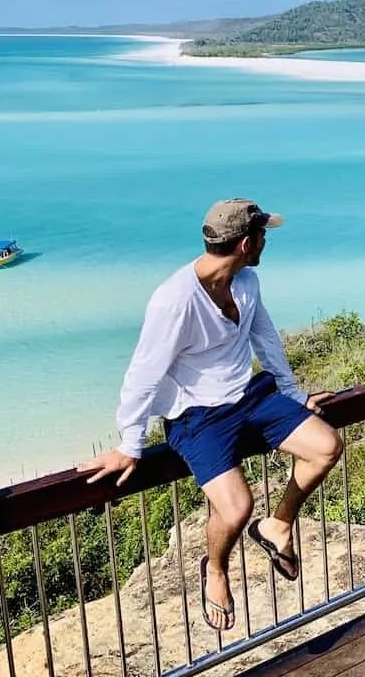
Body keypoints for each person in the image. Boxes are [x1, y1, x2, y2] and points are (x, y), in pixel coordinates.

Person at [77, 199, 344, 632]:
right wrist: (131, 443)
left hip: (248, 397)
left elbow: (265, 338)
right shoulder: (174, 301)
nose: (266, 242)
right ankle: (215, 569)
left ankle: (278, 525)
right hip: (195, 416)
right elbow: (144, 373)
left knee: (325, 447)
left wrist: (294, 393)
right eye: (262, 236)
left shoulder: (247, 282)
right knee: (237, 508)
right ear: (244, 243)